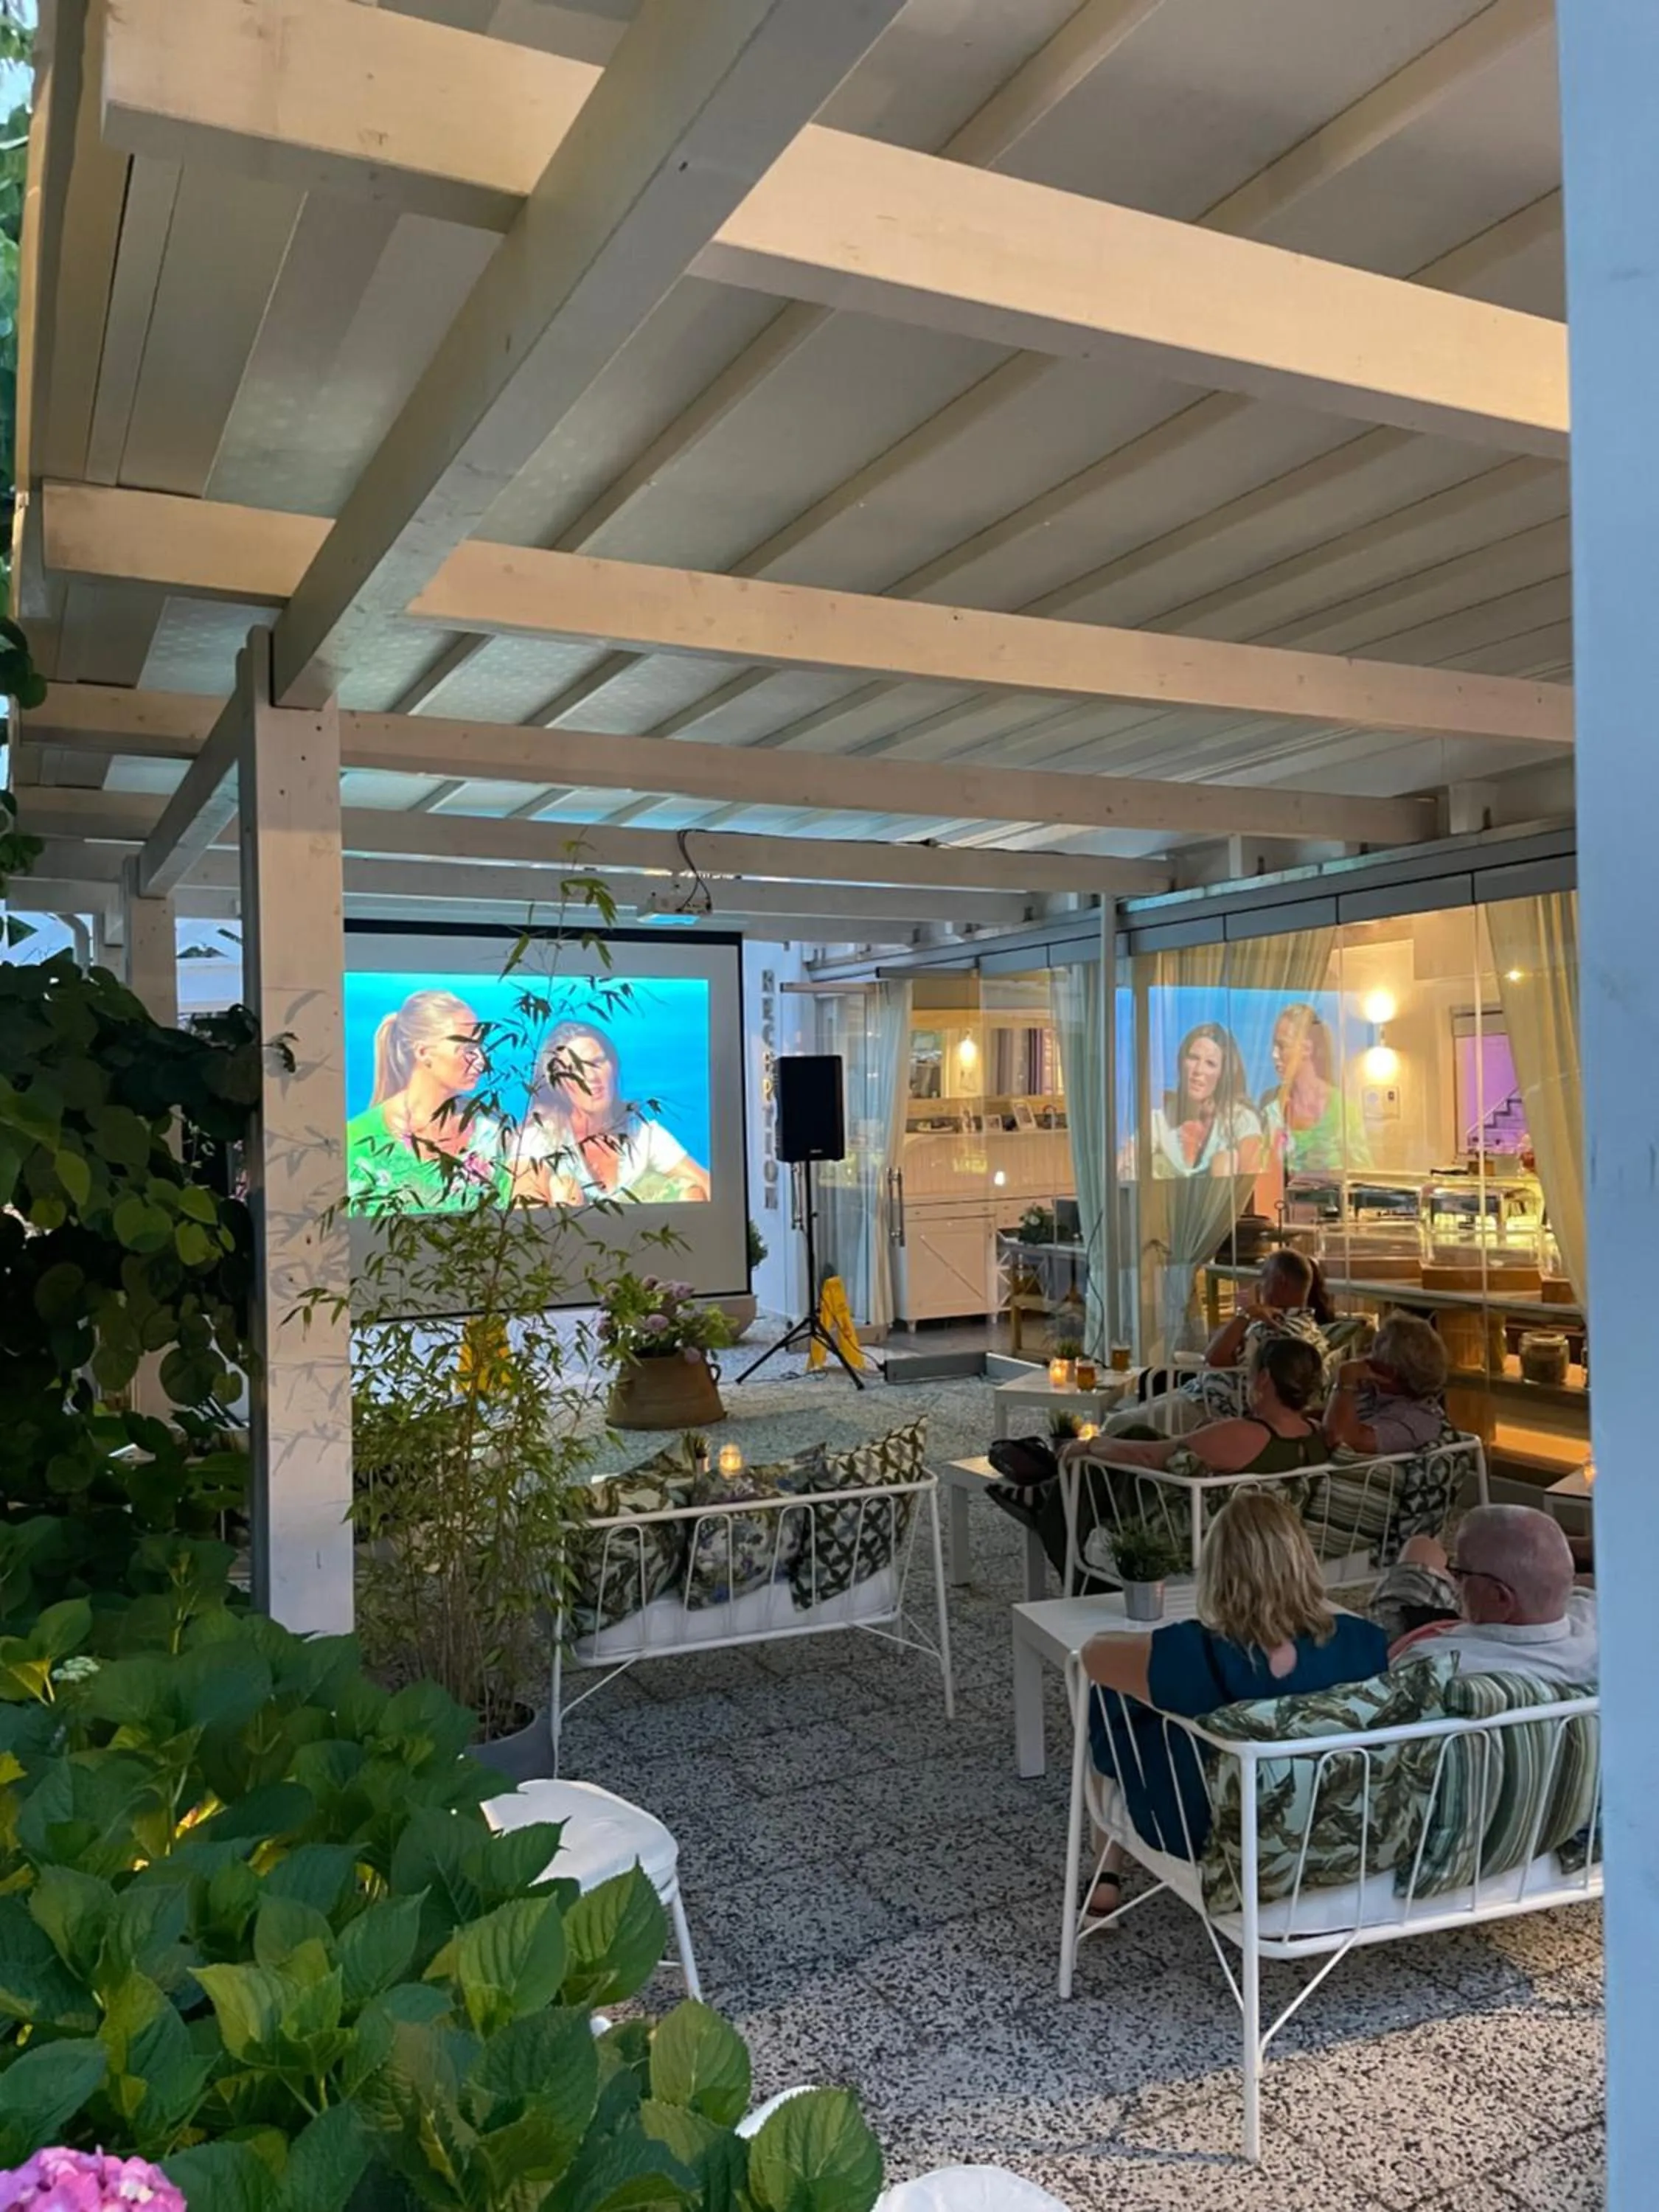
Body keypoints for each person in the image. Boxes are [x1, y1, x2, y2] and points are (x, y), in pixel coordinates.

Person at [1079, 1492, 1389, 1907]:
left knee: (1112, 1697)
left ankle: (1106, 1877)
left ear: (1218, 1570)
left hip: (1208, 1834)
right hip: (1334, 1827)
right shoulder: (1363, 1641)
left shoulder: (1193, 1651)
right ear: (1302, 1562)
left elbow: (1093, 1655)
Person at [1111, 1248, 1330, 1436]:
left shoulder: (1275, 1330)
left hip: (1215, 1406)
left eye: (1264, 1277)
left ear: (1280, 1282)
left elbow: (1214, 1357)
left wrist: (1245, 1314)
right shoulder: (1307, 1328)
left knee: (1118, 1424)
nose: (1259, 1284)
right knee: (1125, 1410)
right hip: (1199, 1393)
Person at [1377, 1504, 1599, 1682]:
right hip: (1491, 1628)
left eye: (1460, 1573)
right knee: (1423, 1547)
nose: (1454, 1581)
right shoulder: (1597, 1625)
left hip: (1409, 1629)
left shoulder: (1431, 1666)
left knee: (1420, 1549)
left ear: (1500, 1596)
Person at [511, 1020, 711, 1206]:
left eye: (597, 1062)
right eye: (573, 1070)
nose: (591, 1077)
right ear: (558, 1084)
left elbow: (708, 1186)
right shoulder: (540, 1135)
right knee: (564, 1191)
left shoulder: (642, 1132)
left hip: (635, 1239)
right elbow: (524, 1209)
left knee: (691, 1192)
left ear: (613, 1067)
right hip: (567, 1241)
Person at [346, 989, 509, 1212]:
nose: (482, 1061)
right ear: (423, 1053)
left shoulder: (493, 1132)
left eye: (481, 1048)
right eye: (468, 1049)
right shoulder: (358, 1139)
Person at [1260, 1002, 1372, 1175]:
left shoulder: (1342, 1111)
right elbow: (1262, 1173)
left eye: (1282, 1046)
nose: (1274, 1055)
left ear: (1307, 1048)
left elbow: (1363, 1178)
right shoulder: (1271, 1107)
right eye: (1274, 1047)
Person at [1324, 1312, 1450, 1459]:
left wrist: (1344, 1384)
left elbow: (1340, 1440)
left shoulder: (1418, 1421)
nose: (1367, 1358)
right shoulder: (1374, 1391)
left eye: (1372, 1352)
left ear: (1390, 1373)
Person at [1149, 1023, 1262, 1180]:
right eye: (1193, 1058)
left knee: (1226, 1160)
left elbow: (1252, 1179)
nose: (1198, 1071)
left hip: (1223, 1203)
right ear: (1182, 1063)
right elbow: (1124, 1165)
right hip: (1168, 1203)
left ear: (1222, 1074)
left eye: (1210, 1063)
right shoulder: (1161, 1118)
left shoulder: (1240, 1119)